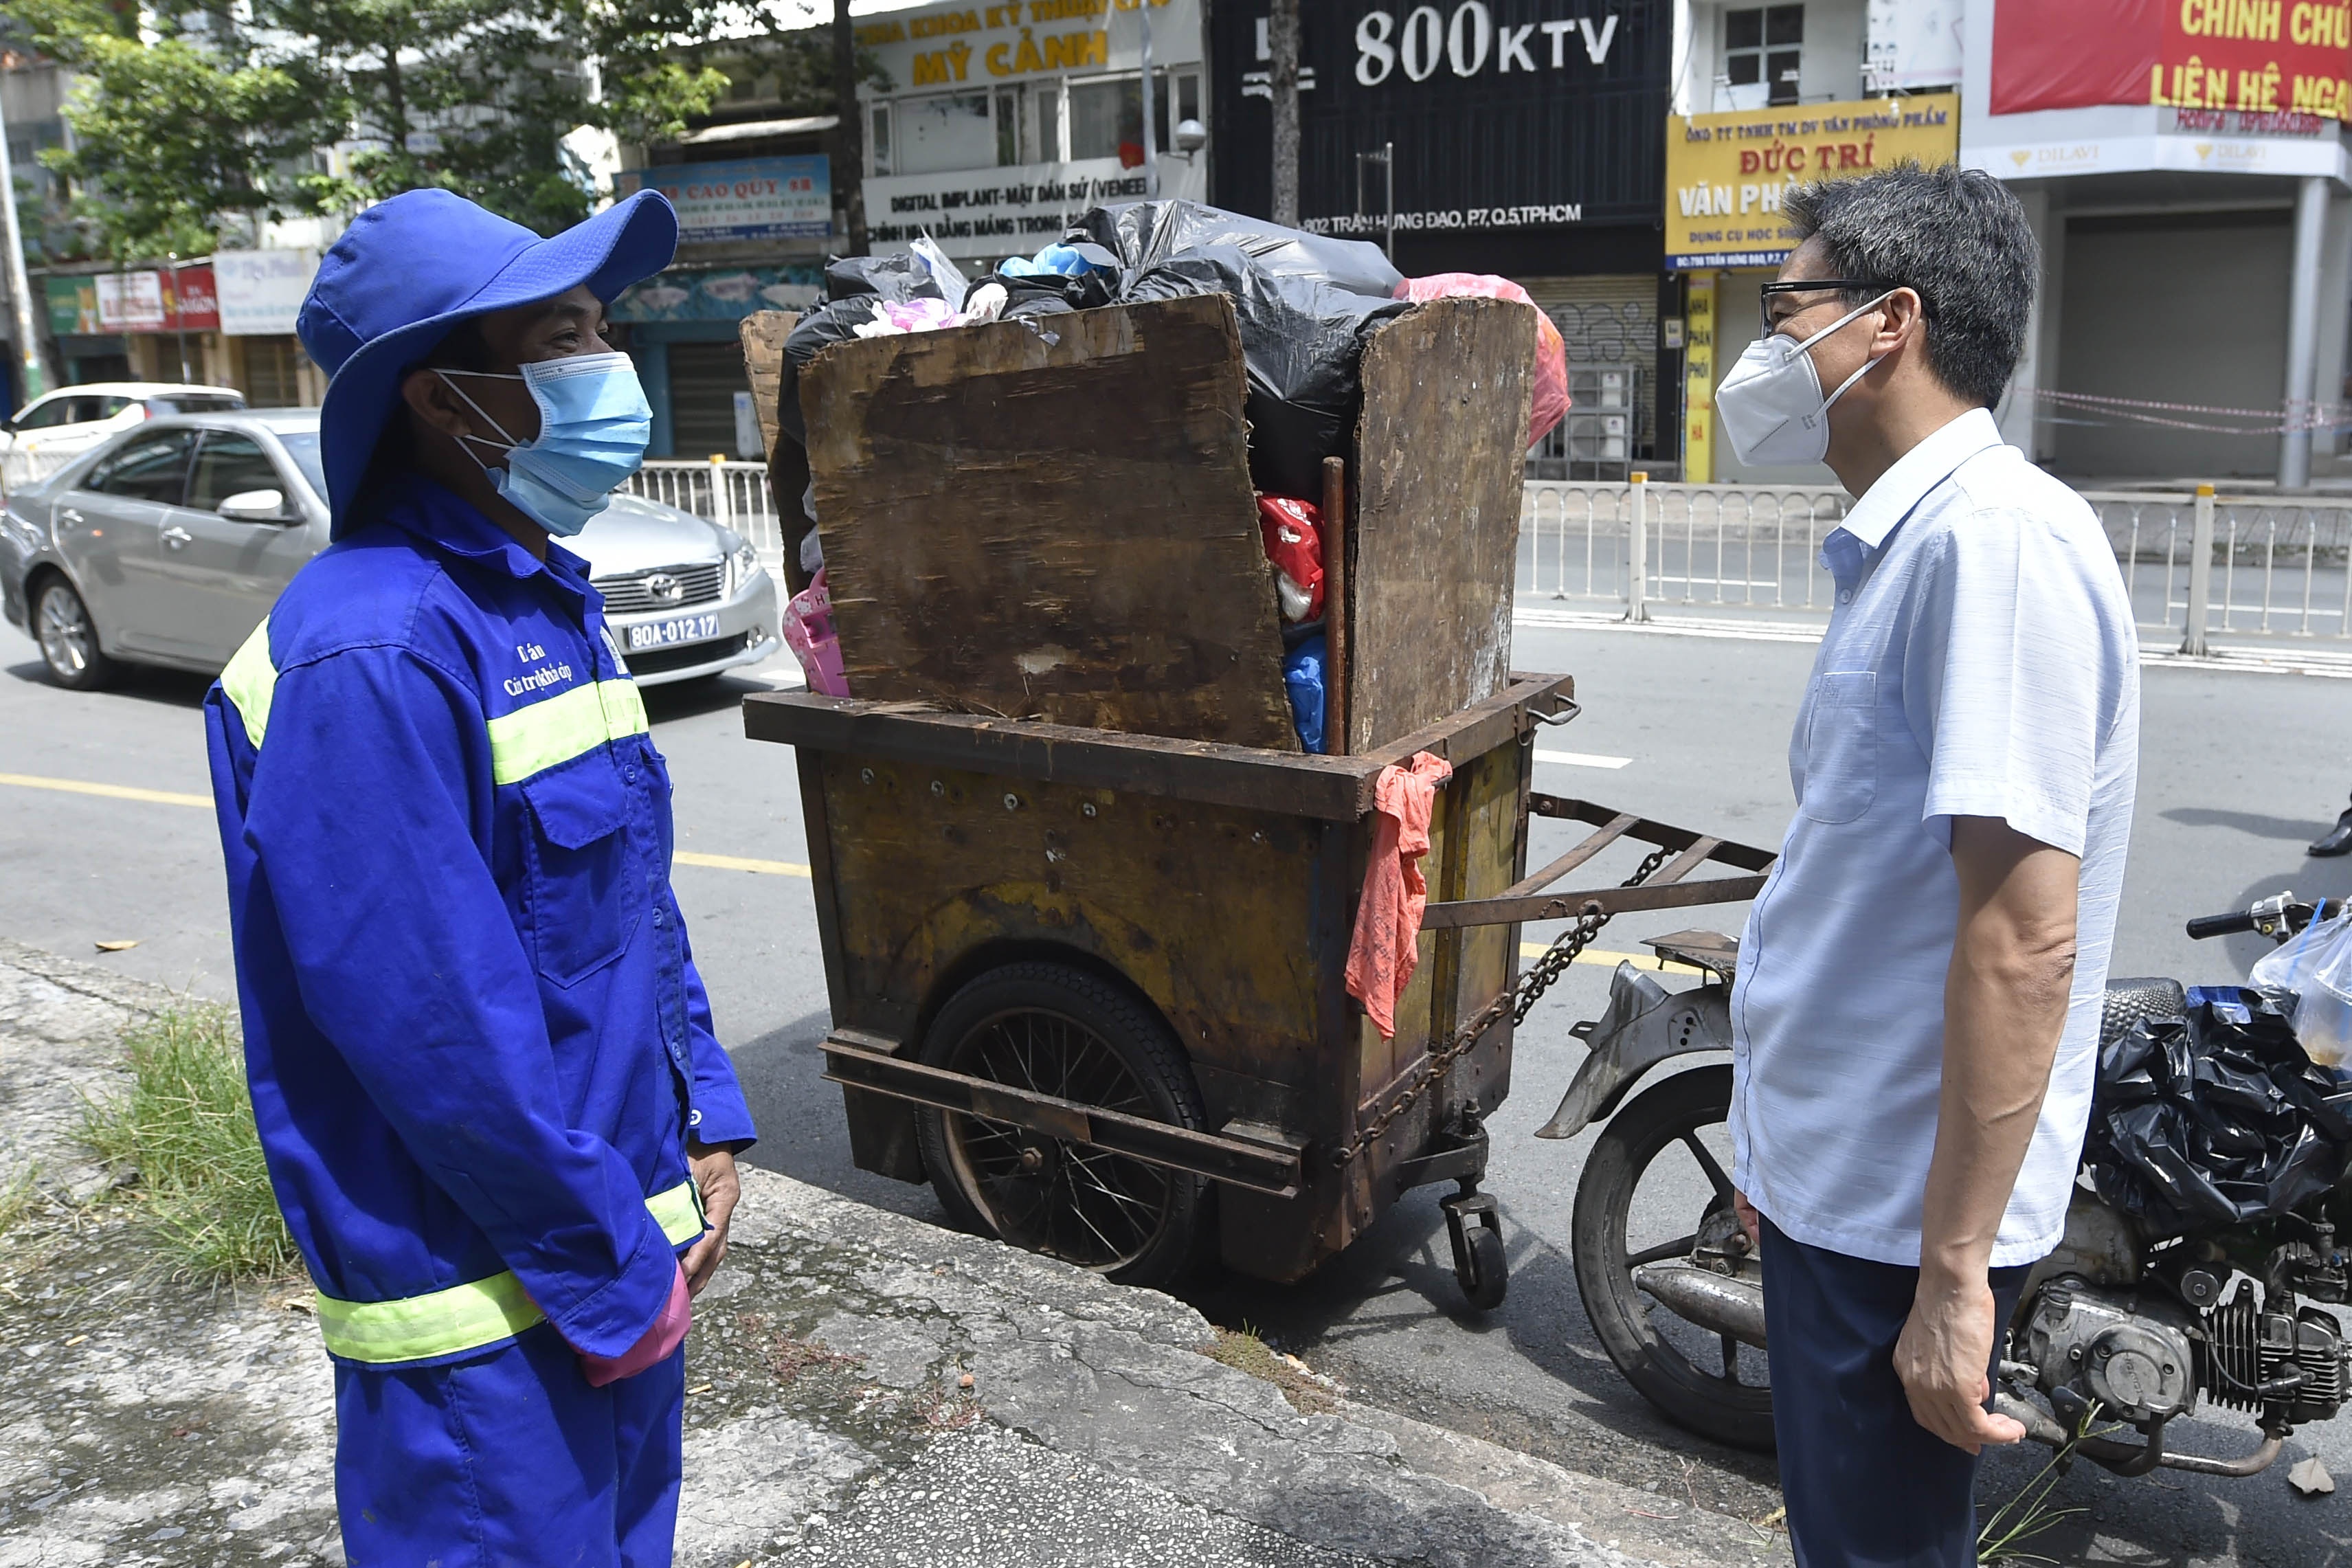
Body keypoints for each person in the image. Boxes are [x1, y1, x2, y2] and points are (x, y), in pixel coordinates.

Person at [204, 187, 757, 1566]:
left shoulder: (537, 597)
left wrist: (706, 1121)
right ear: (448, 400)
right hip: (486, 1320)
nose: (606, 365)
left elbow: (630, 898)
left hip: (609, 1259)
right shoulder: (372, 651)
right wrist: (612, 1267)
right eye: (563, 336)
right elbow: (431, 1028)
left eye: (599, 326)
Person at [1714, 164, 2140, 1565]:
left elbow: (2023, 939)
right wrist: (1774, 1154)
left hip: (1901, 1222)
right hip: (1845, 1182)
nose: (1766, 351)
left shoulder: (1990, 546)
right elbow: (1869, 889)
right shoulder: (1911, 545)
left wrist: (1952, 1273)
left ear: (1886, 322)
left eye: (1788, 312)